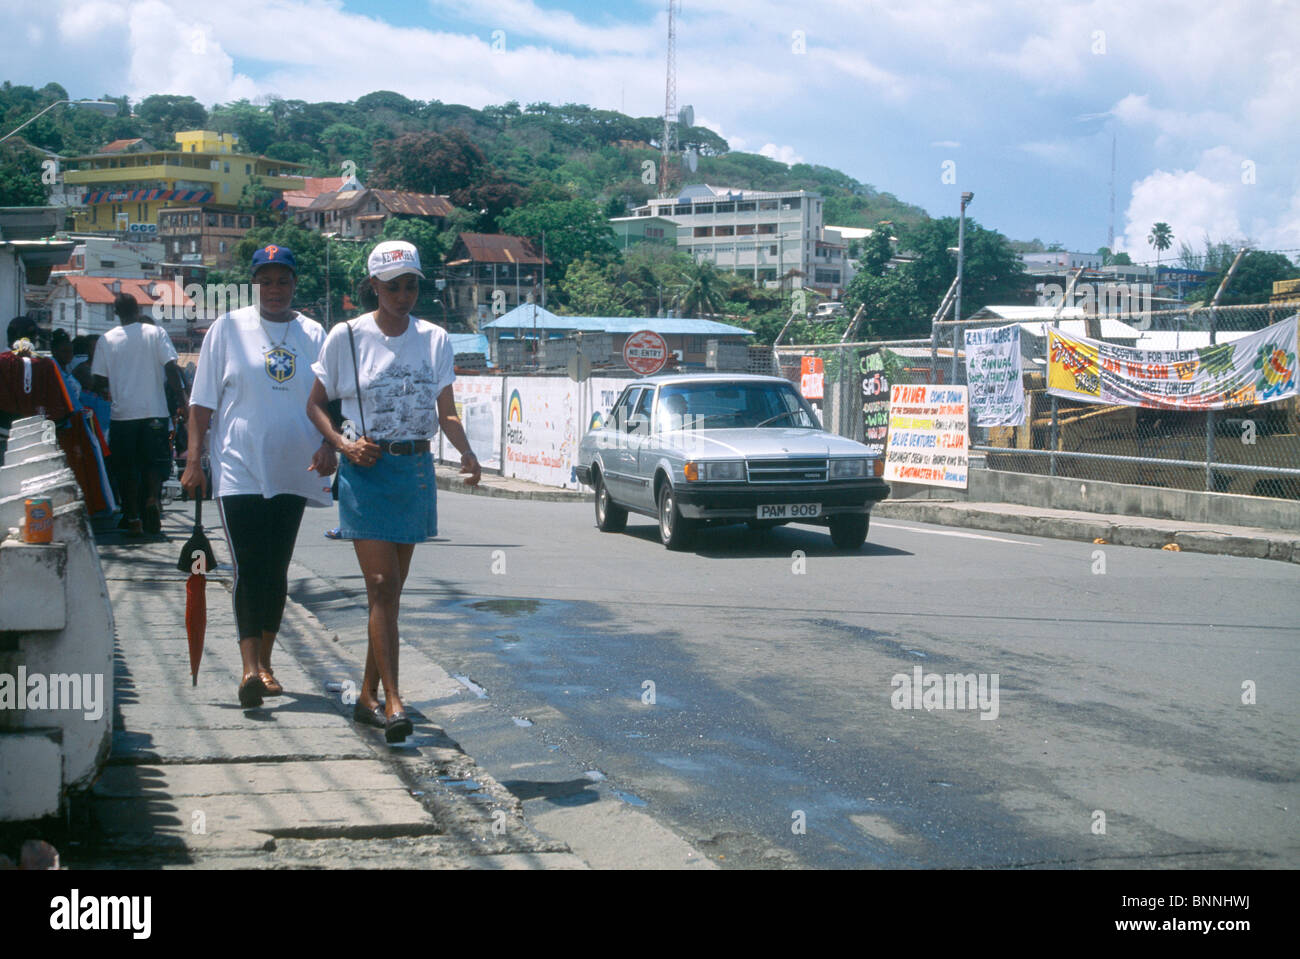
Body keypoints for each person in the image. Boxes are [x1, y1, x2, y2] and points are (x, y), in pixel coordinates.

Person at [307, 240, 480, 743]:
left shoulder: (435, 339)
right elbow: (315, 403)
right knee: (381, 586)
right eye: (392, 287)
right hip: (367, 470)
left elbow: (445, 410)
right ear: (373, 288)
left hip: (415, 470)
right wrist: (341, 444)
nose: (403, 296)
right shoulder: (347, 337)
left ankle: (366, 695)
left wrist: (466, 452)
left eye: (410, 286)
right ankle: (396, 700)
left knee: (390, 594)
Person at [182, 245, 336, 709]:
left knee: (276, 568)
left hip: (295, 468)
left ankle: (266, 663)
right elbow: (201, 404)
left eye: (282, 280)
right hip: (238, 468)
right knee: (249, 566)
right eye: (265, 281)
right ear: (253, 284)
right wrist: (193, 461)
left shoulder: (313, 332)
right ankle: (250, 668)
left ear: (294, 283)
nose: (274, 290)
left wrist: (331, 444)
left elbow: (332, 399)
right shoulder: (228, 329)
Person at [91, 293, 188, 535]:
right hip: (155, 411)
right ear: (137, 308)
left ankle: (133, 517)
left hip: (123, 415)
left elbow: (98, 379)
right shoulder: (156, 333)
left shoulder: (106, 339)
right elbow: (171, 369)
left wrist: (107, 388)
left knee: (126, 468)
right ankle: (153, 499)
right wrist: (182, 400)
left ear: (116, 313)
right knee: (153, 462)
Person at [0, 316, 73, 465]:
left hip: (4, 435)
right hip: (39, 439)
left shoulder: (2, 362)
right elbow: (59, 410)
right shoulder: (46, 365)